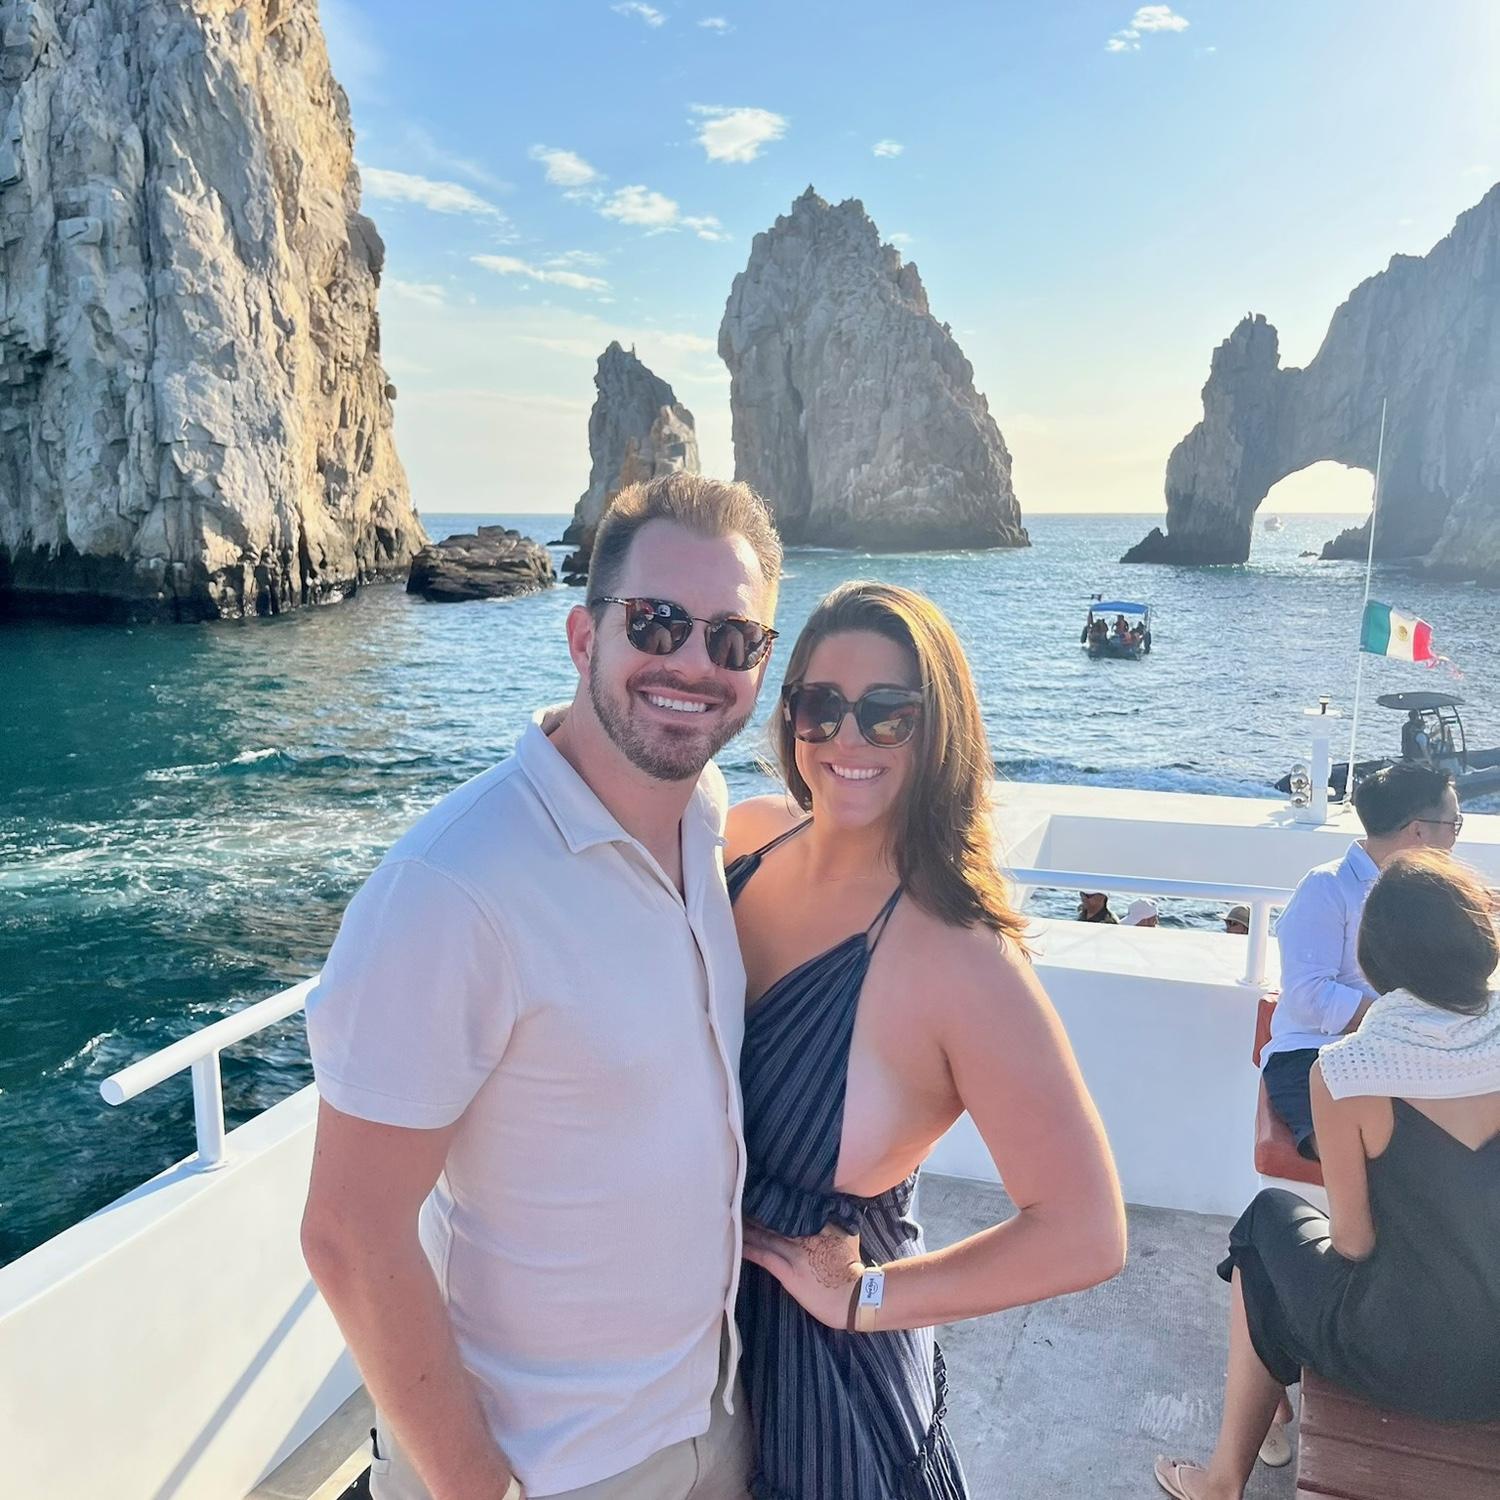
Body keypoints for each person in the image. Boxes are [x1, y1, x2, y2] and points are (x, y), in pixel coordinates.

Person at [300, 474, 784, 1500]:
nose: (694, 664)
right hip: (546, 1469)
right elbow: (348, 1233)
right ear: (583, 635)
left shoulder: (704, 811)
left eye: (734, 639)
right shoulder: (453, 887)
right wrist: (476, 1486)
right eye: (656, 623)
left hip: (712, 1416)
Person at [725, 581, 1127, 1500]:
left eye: (888, 714)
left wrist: (868, 1297)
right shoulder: (747, 844)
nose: (848, 738)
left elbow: (1087, 1231)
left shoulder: (958, 957)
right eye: (820, 706)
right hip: (690, 1344)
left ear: (938, 729)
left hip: (826, 1392)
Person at [1153, 850, 1500, 1500]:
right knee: (1271, 1259)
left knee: (1265, 1227)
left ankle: (1226, 1476)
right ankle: (1259, 1415)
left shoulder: (1347, 1071)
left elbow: (1353, 1243)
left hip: (1402, 1358)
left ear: (1378, 959)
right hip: (1494, 1361)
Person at [1262, 763, 1459, 1160]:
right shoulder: (1327, 887)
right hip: (1313, 1054)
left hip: (1401, 1052)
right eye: (1453, 825)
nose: (1456, 838)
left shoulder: (1431, 893)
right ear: (1418, 831)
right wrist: (1405, 1020)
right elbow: (1307, 996)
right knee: (1383, 1158)